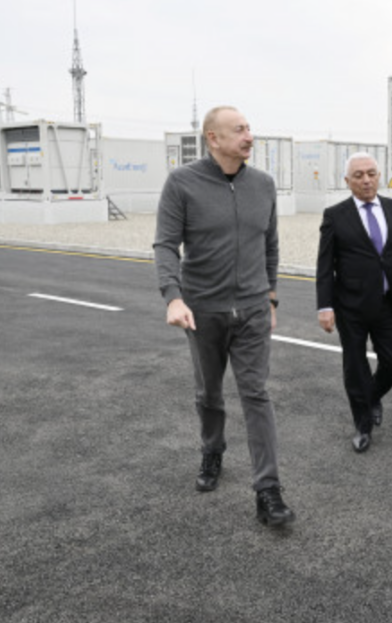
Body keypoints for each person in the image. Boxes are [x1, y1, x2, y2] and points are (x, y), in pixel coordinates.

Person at [153, 105, 295, 527]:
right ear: (213, 138)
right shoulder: (182, 183)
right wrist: (173, 297)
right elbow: (165, 245)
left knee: (257, 394)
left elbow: (270, 245)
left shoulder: (263, 185)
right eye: (239, 130)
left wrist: (271, 298)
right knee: (209, 395)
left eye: (249, 128)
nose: (249, 136)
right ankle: (212, 449)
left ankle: (268, 490)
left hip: (252, 309)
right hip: (203, 311)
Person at [316, 152, 392, 453]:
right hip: (350, 306)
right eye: (358, 175)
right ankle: (363, 425)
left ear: (379, 176)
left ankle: (371, 397)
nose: (366, 180)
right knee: (355, 367)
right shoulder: (335, 215)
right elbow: (325, 266)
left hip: (389, 302)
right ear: (347, 180)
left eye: (371, 174)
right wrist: (325, 306)